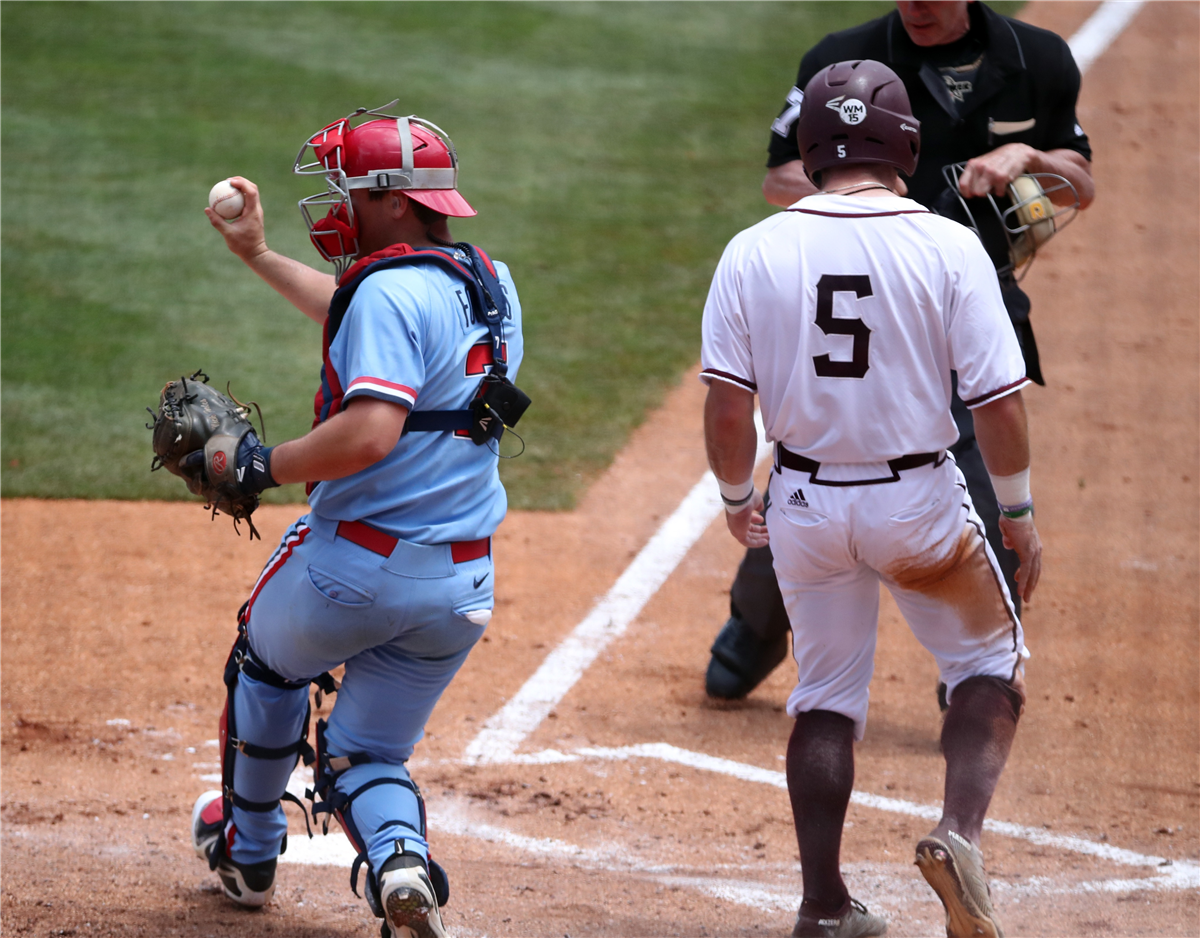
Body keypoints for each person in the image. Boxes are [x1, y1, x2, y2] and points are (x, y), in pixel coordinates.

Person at [701, 60, 1041, 938]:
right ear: (907, 143)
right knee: (986, 670)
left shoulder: (755, 246)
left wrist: (740, 495)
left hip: (805, 507)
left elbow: (727, 404)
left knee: (824, 699)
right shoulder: (946, 243)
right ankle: (958, 836)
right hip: (919, 499)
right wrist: (1017, 513)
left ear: (812, 146)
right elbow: (999, 402)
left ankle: (822, 907)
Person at [188, 106, 525, 938]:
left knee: (264, 667)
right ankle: (401, 864)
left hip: (353, 570)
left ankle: (250, 850)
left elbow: (371, 430)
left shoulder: (385, 292)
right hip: (462, 583)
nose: (336, 202)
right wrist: (260, 255)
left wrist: (263, 462)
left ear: (395, 201)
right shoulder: (488, 278)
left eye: (349, 188)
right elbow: (362, 310)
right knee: (367, 752)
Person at [706, 0, 1091, 702]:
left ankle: (978, 667)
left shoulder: (1038, 60)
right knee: (818, 459)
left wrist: (1027, 155)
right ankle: (756, 626)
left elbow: (1080, 183)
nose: (915, 5)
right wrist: (893, 207)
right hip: (858, 286)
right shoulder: (843, 57)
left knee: (975, 469)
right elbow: (779, 177)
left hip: (973, 293)